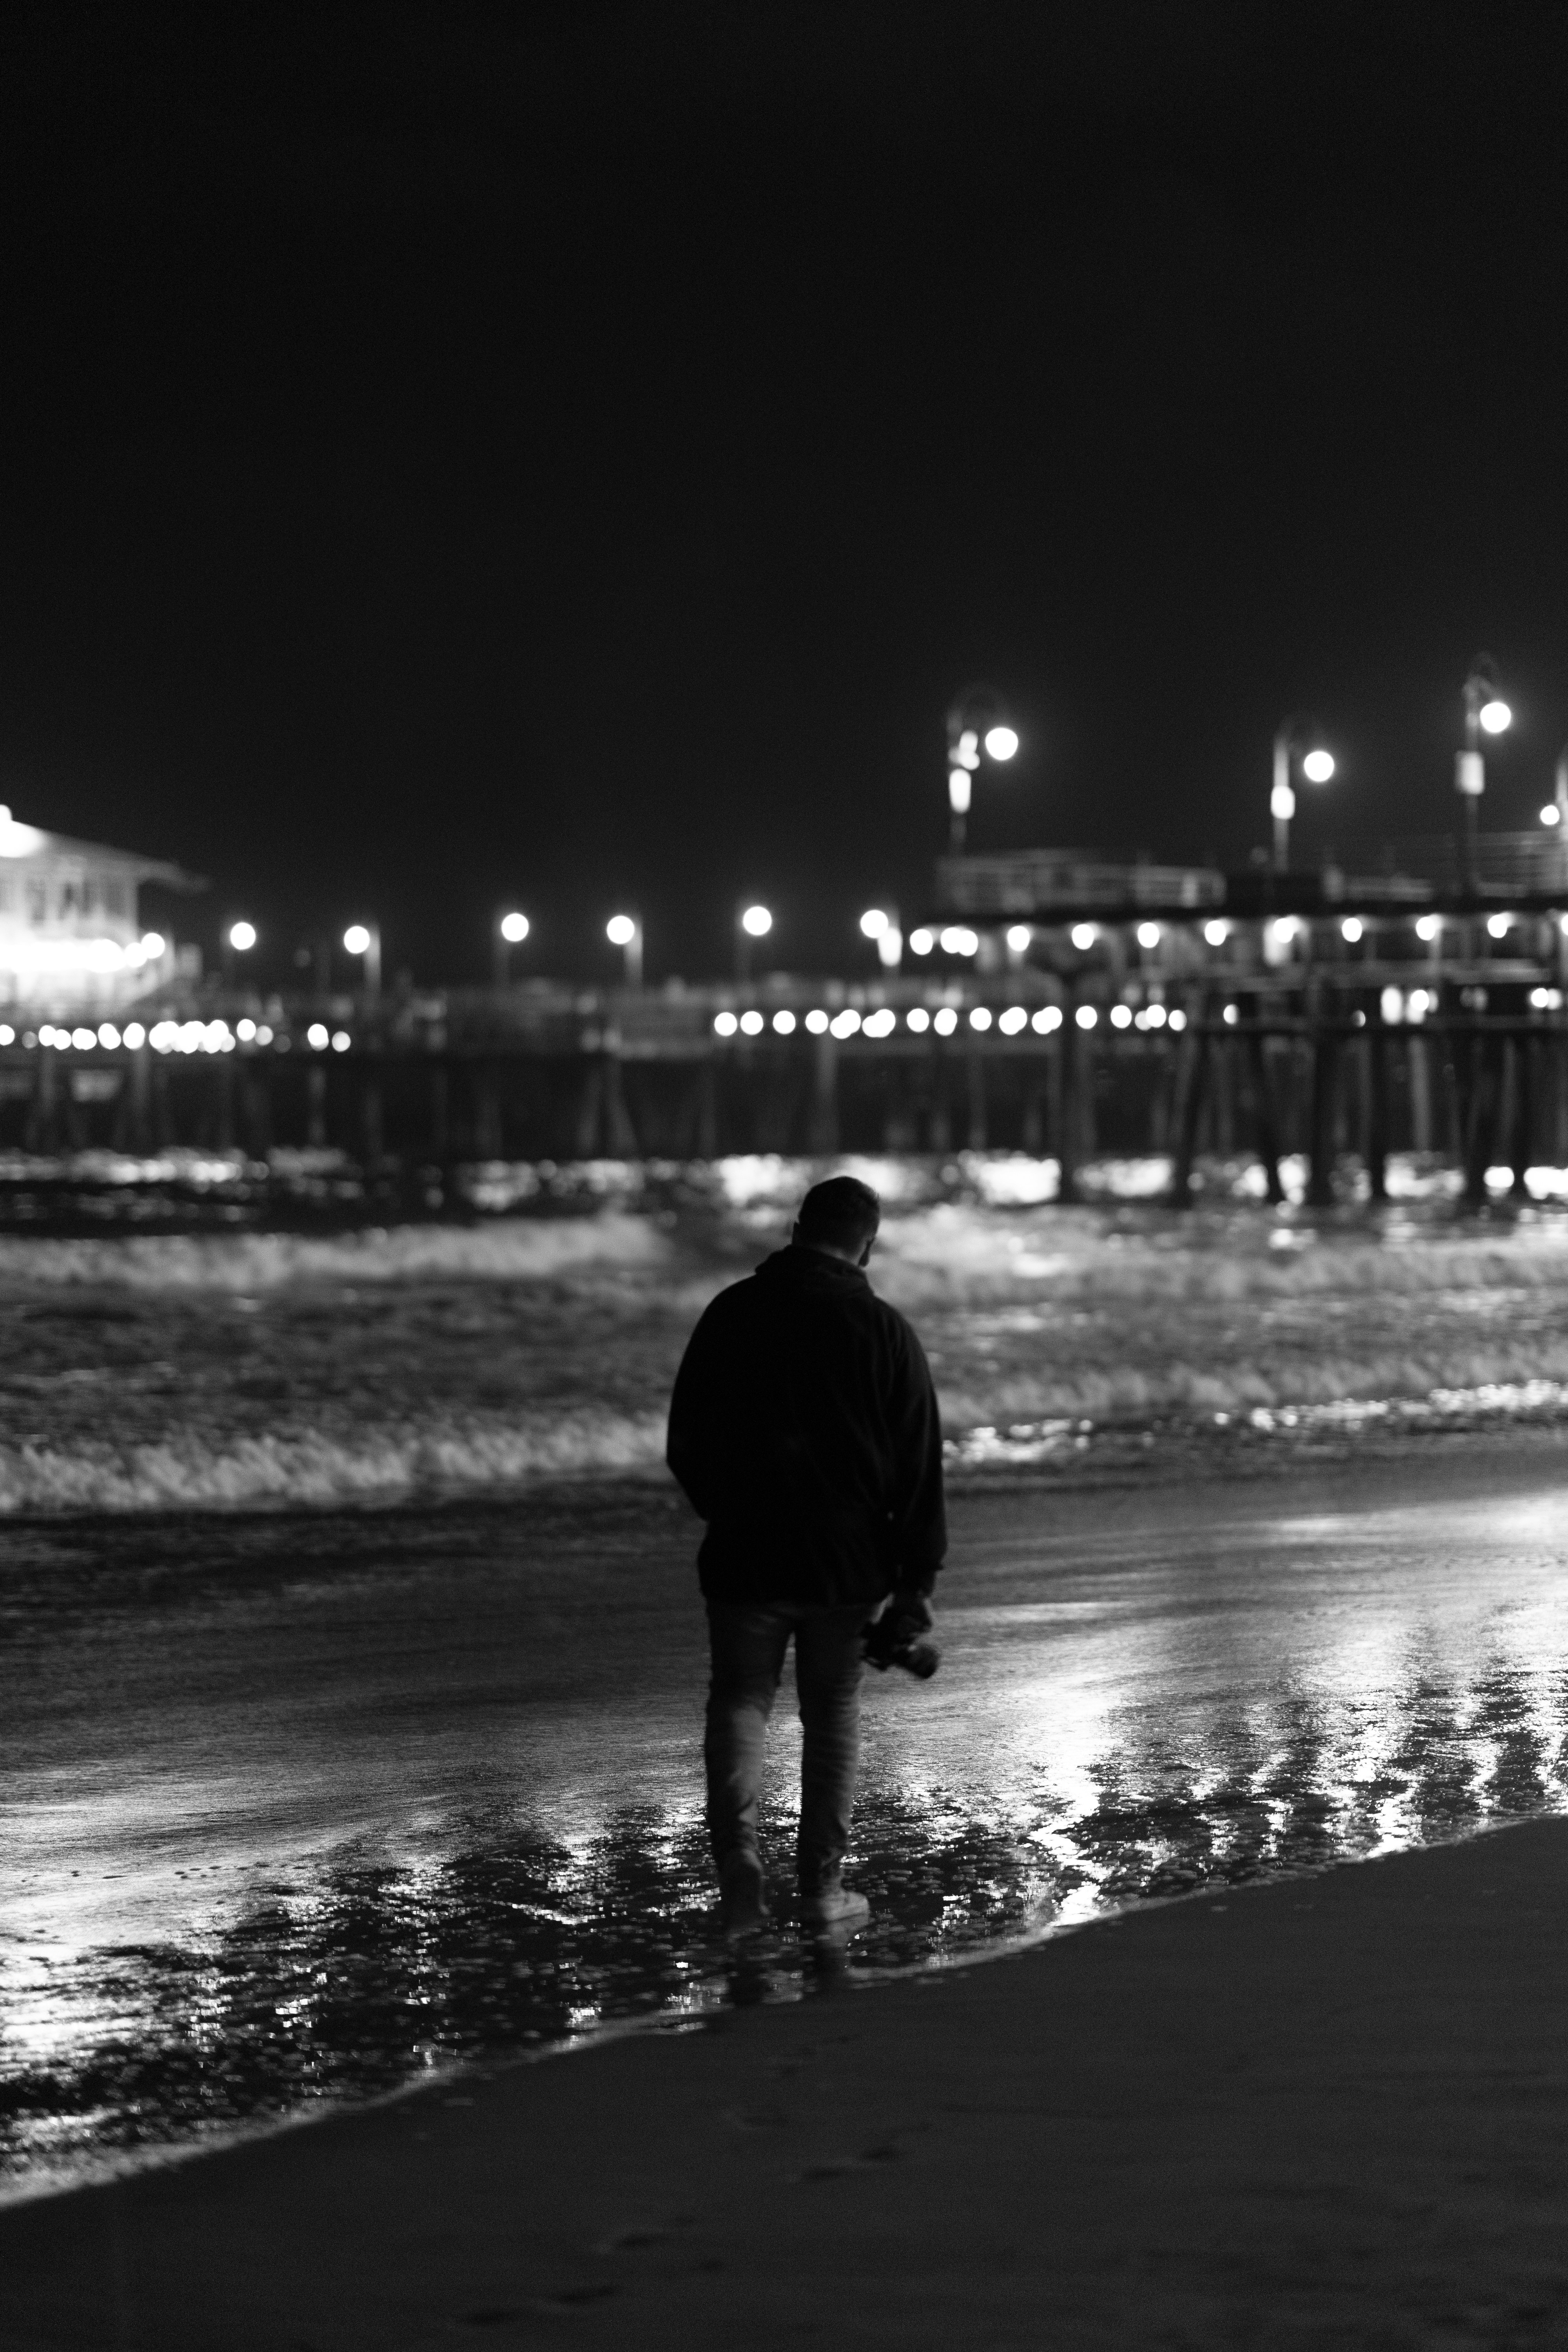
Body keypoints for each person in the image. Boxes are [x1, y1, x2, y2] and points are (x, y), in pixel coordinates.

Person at [666, 1173, 946, 1935]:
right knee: (829, 1714)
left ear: (794, 1229)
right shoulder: (884, 1331)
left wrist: (726, 1510)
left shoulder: (730, 1313)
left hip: (744, 1555)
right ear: (867, 1244)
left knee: (738, 1702)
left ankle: (740, 1883)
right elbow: (918, 1466)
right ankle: (822, 1893)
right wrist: (915, 1582)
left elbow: (685, 1439)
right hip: (846, 1563)